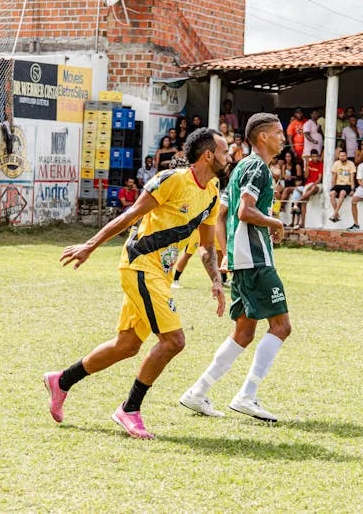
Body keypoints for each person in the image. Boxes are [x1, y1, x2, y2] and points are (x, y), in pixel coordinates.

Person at [43, 129, 228, 440]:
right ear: (208, 155)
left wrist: (216, 281)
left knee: (126, 345)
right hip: (140, 265)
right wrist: (90, 245)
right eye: (224, 151)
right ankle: (129, 409)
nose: (228, 156)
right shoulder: (171, 179)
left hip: (161, 274)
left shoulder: (213, 190)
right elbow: (131, 214)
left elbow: (207, 246)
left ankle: (61, 381)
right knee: (174, 341)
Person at [180, 113, 291, 423]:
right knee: (281, 327)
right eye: (278, 133)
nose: (282, 138)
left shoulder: (241, 166)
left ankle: (197, 392)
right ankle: (247, 396)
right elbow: (244, 211)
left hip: (242, 259)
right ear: (263, 138)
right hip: (256, 260)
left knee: (243, 333)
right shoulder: (257, 166)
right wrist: (274, 222)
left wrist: (228, 251)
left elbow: (222, 213)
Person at [328, 149, 356, 223]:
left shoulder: (351, 164)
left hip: (347, 185)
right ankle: (337, 215)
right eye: (341, 156)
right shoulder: (336, 163)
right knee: (331, 194)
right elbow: (333, 178)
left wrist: (353, 189)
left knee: (342, 193)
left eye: (344, 156)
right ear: (339, 156)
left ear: (346, 156)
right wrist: (333, 188)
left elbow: (352, 179)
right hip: (338, 184)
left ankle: (334, 214)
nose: (342, 157)